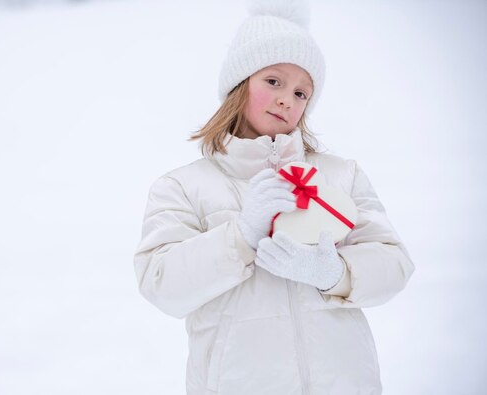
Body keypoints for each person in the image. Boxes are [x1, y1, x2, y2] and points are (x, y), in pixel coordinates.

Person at [133, 1, 415, 394]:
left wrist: (334, 274)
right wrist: (242, 235)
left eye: (302, 92)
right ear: (239, 83)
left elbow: (395, 264)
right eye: (273, 81)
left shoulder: (339, 174)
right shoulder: (182, 186)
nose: (288, 98)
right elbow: (161, 285)